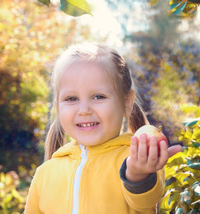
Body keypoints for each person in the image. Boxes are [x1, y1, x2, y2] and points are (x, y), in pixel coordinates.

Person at [24, 42, 182, 214]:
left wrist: (136, 175)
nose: (84, 110)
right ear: (58, 106)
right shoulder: (45, 174)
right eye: (71, 98)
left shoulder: (136, 158)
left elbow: (146, 201)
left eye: (98, 96)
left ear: (126, 103)